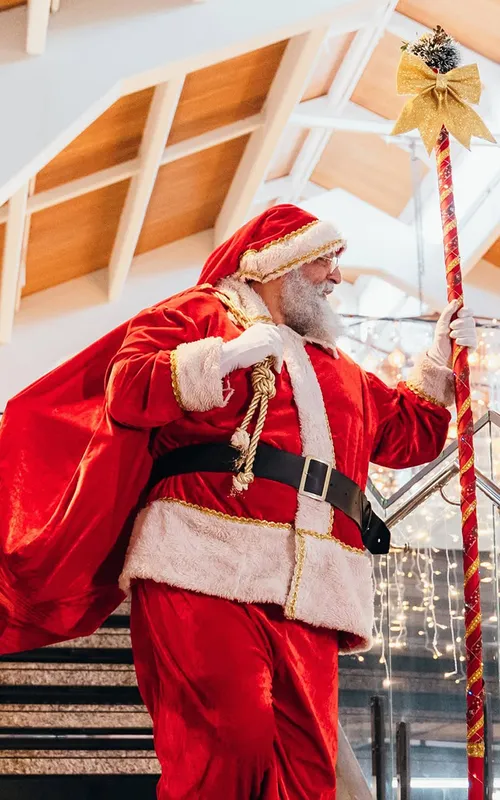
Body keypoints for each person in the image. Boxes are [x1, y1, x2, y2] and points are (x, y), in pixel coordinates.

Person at [0, 204, 477, 799]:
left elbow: (410, 436)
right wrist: (220, 358)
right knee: (230, 742)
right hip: (203, 564)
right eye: (327, 260)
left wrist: (439, 361)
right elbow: (126, 389)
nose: (337, 277)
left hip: (314, 589)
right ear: (281, 264)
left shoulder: (341, 369)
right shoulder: (198, 314)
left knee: (308, 772)